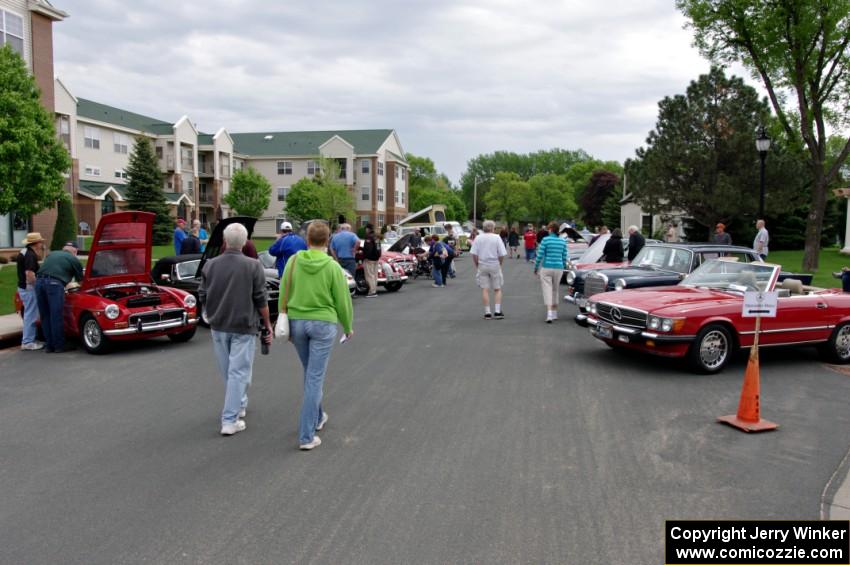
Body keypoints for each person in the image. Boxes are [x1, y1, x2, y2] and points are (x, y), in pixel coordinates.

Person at [281, 221, 354, 450]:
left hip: (297, 321)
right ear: (328, 240)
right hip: (323, 322)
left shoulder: (294, 261)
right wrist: (348, 325)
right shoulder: (332, 267)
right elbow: (342, 299)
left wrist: (285, 316)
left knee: (310, 373)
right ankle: (306, 435)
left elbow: (284, 289)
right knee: (314, 376)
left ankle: (318, 416)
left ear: (307, 238)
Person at [199, 222, 272, 436]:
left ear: (224, 241)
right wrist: (267, 323)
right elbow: (261, 298)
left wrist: (209, 312)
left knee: (229, 371)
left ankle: (239, 404)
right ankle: (229, 419)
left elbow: (202, 294)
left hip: (219, 323)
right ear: (244, 243)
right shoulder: (253, 266)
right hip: (243, 324)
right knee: (238, 372)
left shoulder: (210, 265)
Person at [35, 241, 84, 353]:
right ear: (75, 251)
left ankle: (49, 345)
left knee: (45, 315)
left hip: (39, 283)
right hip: (54, 285)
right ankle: (59, 345)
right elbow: (81, 281)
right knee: (55, 315)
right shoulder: (74, 260)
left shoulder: (52, 254)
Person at [470, 220, 507, 319]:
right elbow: (502, 254)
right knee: (497, 288)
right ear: (492, 228)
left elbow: (474, 253)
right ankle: (498, 311)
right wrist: (500, 264)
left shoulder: (478, 238)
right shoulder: (497, 238)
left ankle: (487, 312)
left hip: (482, 264)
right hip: (494, 263)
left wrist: (477, 264)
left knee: (485, 289)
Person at [534, 221, 569, 323]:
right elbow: (564, 257)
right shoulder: (562, 241)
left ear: (550, 229)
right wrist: (563, 266)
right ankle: (554, 313)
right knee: (555, 290)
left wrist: (536, 268)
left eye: (548, 229)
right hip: (559, 268)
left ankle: (549, 314)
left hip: (547, 267)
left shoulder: (545, 240)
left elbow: (539, 255)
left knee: (547, 290)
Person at [17, 232, 45, 350]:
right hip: (29, 288)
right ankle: (28, 342)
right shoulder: (30, 255)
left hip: (23, 287)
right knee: (31, 314)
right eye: (41, 242)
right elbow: (29, 274)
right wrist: (37, 285)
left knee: (30, 313)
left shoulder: (24, 252)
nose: (42, 244)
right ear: (36, 243)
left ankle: (29, 339)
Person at [362, 224, 381, 297]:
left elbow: (368, 249)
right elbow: (379, 248)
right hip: (376, 258)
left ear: (368, 229)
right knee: (374, 275)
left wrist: (365, 257)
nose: (365, 230)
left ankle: (372, 292)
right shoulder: (376, 236)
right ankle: (374, 290)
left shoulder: (369, 237)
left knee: (369, 276)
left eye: (366, 229)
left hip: (369, 259)